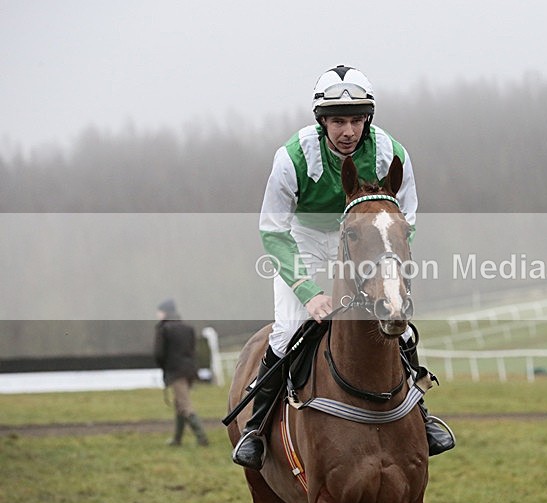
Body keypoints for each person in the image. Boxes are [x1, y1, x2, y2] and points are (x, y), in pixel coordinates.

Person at [232, 65, 454, 470]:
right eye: (337, 121)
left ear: (367, 119)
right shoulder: (292, 157)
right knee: (287, 330)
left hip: (365, 244)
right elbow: (272, 230)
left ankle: (420, 414)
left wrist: (385, 275)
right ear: (322, 121)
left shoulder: (392, 154)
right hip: (304, 243)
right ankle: (257, 427)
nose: (347, 130)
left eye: (355, 120)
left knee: (396, 320)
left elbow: (407, 222)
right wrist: (308, 291)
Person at [154, 299, 209, 447]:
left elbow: (159, 353)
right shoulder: (188, 328)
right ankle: (177, 439)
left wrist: (164, 367)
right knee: (179, 404)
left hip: (175, 371)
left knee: (184, 405)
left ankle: (202, 437)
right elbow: (193, 350)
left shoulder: (163, 329)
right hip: (190, 370)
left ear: (165, 312)